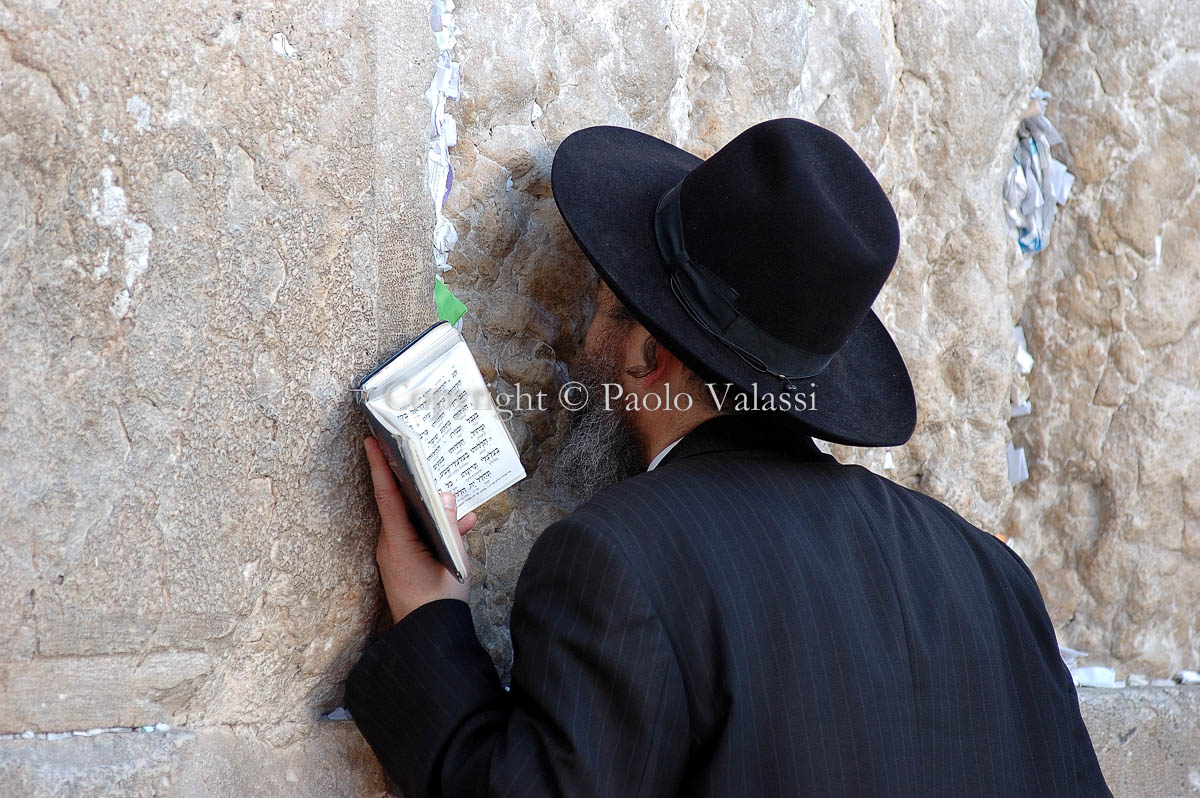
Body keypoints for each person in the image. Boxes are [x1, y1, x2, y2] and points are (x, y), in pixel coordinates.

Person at [344, 118, 1113, 797]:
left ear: (650, 353)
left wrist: (431, 621)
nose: (585, 345)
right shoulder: (990, 575)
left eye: (604, 311)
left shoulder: (618, 561)